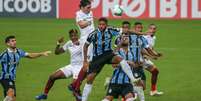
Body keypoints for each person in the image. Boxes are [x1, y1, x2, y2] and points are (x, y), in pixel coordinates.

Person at [81, 17, 139, 101]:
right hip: (97, 58)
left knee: (120, 59)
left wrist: (142, 33)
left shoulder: (111, 30)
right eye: (100, 24)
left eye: (103, 24)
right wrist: (85, 61)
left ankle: (133, 79)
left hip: (108, 54)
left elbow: (126, 31)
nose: (101, 26)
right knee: (89, 79)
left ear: (106, 25)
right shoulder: (93, 34)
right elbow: (85, 46)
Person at [35, 29, 83, 101]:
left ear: (77, 35)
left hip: (80, 67)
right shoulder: (69, 43)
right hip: (72, 66)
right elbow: (57, 52)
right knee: (52, 77)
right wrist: (58, 43)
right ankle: (45, 95)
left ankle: (79, 98)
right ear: (69, 37)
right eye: (71, 36)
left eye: (75, 35)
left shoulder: (82, 42)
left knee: (75, 88)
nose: (73, 37)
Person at [0, 35, 51, 101]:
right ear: (7, 43)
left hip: (12, 78)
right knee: (11, 93)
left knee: (12, 99)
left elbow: (30, 55)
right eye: (12, 41)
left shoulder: (19, 52)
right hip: (5, 77)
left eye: (15, 40)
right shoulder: (4, 54)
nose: (15, 42)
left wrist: (41, 53)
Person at [69, 1, 95, 98]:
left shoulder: (90, 12)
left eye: (90, 7)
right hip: (86, 42)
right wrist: (88, 21)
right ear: (82, 8)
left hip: (92, 40)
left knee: (91, 64)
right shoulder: (78, 14)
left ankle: (74, 85)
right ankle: (75, 87)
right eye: (88, 7)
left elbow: (91, 26)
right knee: (87, 64)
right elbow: (81, 25)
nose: (90, 9)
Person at [102, 35, 138, 101]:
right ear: (120, 41)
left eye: (126, 38)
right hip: (115, 81)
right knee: (107, 99)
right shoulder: (117, 52)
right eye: (123, 38)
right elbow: (114, 65)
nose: (125, 39)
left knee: (130, 98)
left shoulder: (133, 52)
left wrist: (133, 64)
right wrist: (127, 62)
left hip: (127, 82)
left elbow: (136, 64)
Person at [143, 24, 163, 96]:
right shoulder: (144, 37)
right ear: (148, 29)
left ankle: (153, 91)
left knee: (155, 71)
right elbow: (142, 49)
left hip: (145, 59)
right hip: (139, 59)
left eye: (154, 29)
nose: (152, 30)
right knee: (135, 79)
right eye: (151, 28)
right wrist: (152, 56)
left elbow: (151, 49)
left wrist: (156, 54)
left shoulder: (154, 38)